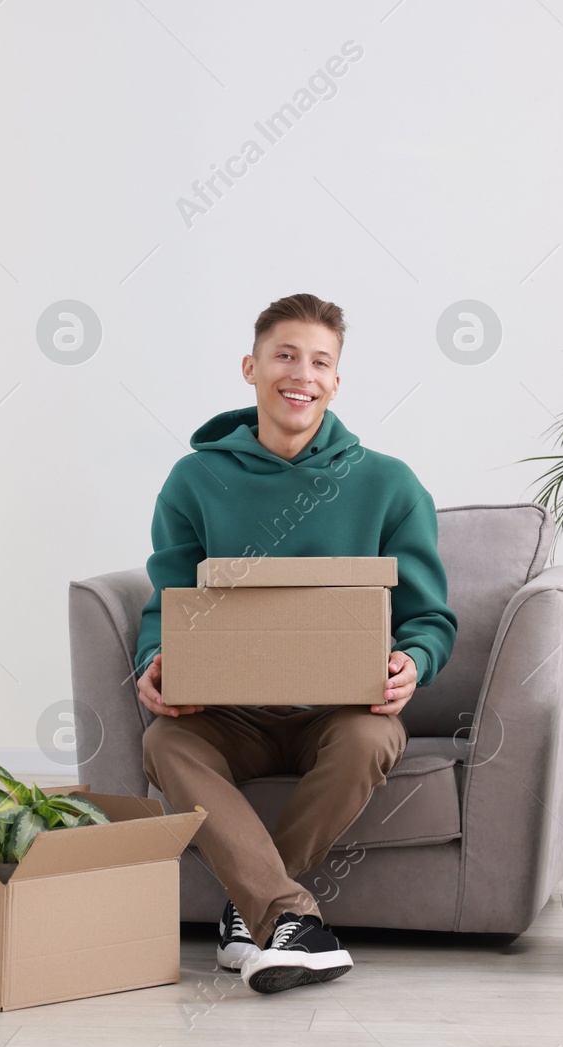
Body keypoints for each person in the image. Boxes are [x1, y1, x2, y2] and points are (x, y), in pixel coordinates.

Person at [133, 293, 458, 994]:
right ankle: (288, 917)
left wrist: (414, 661)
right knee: (162, 743)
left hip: (335, 712)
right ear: (251, 367)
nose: (300, 374)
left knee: (372, 738)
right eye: (285, 355)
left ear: (336, 381)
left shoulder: (389, 484)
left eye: (320, 361)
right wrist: (153, 662)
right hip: (231, 714)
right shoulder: (195, 480)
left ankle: (258, 915)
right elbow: (166, 601)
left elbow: (430, 618)